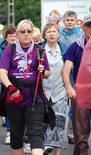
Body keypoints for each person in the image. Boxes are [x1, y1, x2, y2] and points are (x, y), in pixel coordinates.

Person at [0, 19, 50, 155]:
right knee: (16, 132)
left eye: (29, 31)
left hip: (35, 98)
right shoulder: (10, 49)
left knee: (35, 132)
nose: (26, 34)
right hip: (15, 98)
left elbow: (48, 73)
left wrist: (42, 71)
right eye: (23, 31)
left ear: (33, 33)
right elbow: (2, 71)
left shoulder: (40, 50)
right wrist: (10, 87)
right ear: (18, 33)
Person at [62, 14, 91, 155]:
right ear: (83, 28)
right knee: (80, 133)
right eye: (89, 26)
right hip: (81, 92)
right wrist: (68, 87)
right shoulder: (76, 46)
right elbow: (66, 69)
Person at [40, 22, 68, 155]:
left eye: (54, 31)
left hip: (60, 92)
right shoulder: (39, 50)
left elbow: (69, 71)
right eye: (49, 31)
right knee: (43, 124)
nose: (51, 34)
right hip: (42, 93)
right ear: (44, 35)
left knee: (59, 124)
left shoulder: (64, 49)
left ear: (58, 34)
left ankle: (57, 153)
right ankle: (44, 148)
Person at [58, 10, 84, 145]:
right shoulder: (58, 35)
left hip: (78, 73)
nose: (69, 22)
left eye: (72, 20)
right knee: (65, 104)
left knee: (76, 103)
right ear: (63, 20)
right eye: (67, 20)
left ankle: (72, 133)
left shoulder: (81, 34)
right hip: (61, 72)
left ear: (76, 21)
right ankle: (64, 133)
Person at [0, 27, 17, 145]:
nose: (12, 38)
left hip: (19, 81)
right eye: (10, 36)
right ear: (6, 37)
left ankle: (19, 132)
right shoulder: (0, 48)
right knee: (8, 107)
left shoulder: (22, 47)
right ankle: (9, 132)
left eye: (14, 35)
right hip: (2, 81)